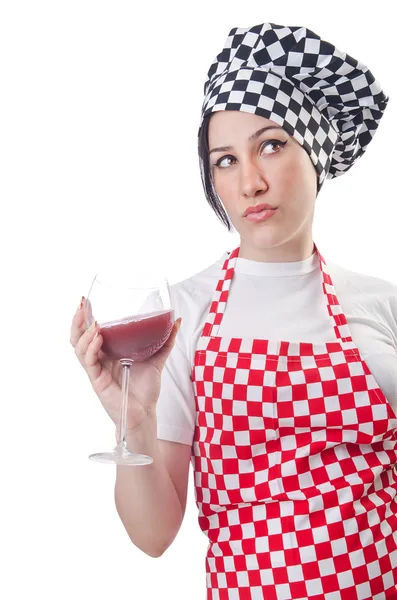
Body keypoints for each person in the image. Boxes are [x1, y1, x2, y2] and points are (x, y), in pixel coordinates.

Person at [70, 22, 397, 599]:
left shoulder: (383, 304)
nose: (249, 181)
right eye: (224, 160)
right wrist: (133, 420)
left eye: (271, 145)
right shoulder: (183, 317)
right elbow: (153, 536)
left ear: (315, 151)